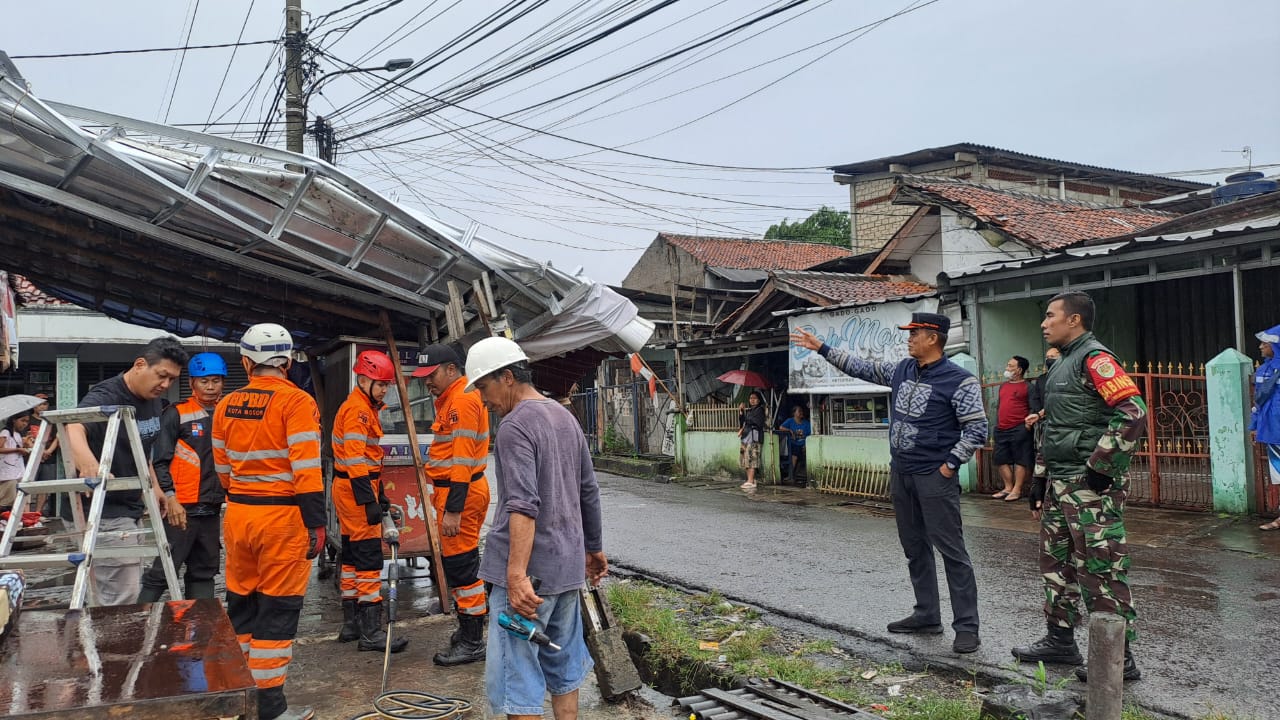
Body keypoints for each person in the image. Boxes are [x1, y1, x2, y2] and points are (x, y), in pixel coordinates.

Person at [791, 312, 986, 654]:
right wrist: (820, 347)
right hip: (902, 473)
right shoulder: (901, 370)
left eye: (915, 334)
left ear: (933, 338)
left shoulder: (960, 380)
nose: (908, 339)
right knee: (914, 548)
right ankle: (926, 614)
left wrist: (949, 466)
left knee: (952, 551)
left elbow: (977, 430)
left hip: (934, 477)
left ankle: (967, 627)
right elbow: (859, 368)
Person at [466, 336, 607, 720]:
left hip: (529, 580)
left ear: (507, 377)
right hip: (565, 570)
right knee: (564, 670)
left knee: (519, 681)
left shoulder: (515, 427)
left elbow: (523, 507)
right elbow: (587, 490)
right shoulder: (565, 417)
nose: (482, 399)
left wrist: (514, 575)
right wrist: (592, 549)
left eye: (482, 386)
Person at [1013, 291, 1146, 683]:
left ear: (1074, 320)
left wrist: (1103, 466)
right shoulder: (1061, 364)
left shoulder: (1095, 359)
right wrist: (1039, 479)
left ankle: (1118, 658)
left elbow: (1133, 412)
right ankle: (1060, 640)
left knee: (1101, 567)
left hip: (1089, 487)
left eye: (1050, 315)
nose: (1043, 323)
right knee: (1056, 563)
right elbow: (1054, 426)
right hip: (1059, 481)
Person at [212, 323, 323, 720]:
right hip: (282, 518)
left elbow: (222, 469)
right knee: (277, 612)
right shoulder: (297, 403)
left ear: (246, 363)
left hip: (239, 514)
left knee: (241, 606)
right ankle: (270, 709)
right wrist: (317, 523)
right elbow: (307, 468)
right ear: (288, 362)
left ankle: (237, 701)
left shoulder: (226, 405)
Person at [65, 336, 188, 606]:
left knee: (110, 592)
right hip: (102, 509)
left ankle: (99, 645)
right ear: (140, 364)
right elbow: (73, 426)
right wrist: (88, 463)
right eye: (162, 376)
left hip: (130, 507)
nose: (165, 385)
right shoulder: (107, 394)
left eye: (172, 380)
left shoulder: (153, 400)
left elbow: (142, 449)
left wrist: (154, 488)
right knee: (122, 596)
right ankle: (120, 648)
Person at [414, 343, 491, 666]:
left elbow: (461, 461)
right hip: (456, 492)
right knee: (460, 563)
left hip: (460, 494)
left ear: (450, 369)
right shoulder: (451, 400)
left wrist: (453, 510)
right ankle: (468, 629)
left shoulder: (460, 400)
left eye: (431, 375)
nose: (426, 382)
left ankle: (473, 640)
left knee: (462, 568)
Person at [330, 349, 407, 653]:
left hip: (352, 488)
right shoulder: (358, 411)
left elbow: (365, 459)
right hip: (354, 489)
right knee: (368, 559)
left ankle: (351, 624)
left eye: (387, 384)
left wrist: (380, 494)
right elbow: (355, 459)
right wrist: (369, 500)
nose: (385, 389)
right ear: (363, 380)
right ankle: (371, 631)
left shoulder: (362, 407)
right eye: (380, 383)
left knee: (350, 556)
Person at [138, 352, 228, 603]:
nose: (210, 387)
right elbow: (159, 461)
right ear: (192, 383)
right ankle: (136, 628)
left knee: (204, 572)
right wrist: (170, 497)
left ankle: (198, 633)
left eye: (216, 381)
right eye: (204, 381)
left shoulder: (226, 414)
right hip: (181, 509)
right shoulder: (176, 413)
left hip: (210, 509)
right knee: (162, 572)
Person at [992, 356, 1033, 502]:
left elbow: (1033, 408)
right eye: (1008, 365)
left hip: (1019, 428)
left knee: (1020, 460)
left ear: (1019, 370)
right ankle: (1008, 487)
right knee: (1000, 459)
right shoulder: (1004, 386)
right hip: (1001, 428)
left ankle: (1017, 489)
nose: (1007, 368)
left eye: (1010, 366)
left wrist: (1027, 425)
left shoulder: (1028, 387)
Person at [1024, 347, 1061, 512]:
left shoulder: (1072, 378)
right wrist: (1039, 415)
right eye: (1047, 357)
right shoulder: (1043, 380)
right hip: (1047, 427)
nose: (1049, 359)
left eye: (1053, 356)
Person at [1252, 325, 1280, 531]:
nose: (1261, 347)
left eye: (1265, 343)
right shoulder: (1263, 370)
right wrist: (1254, 425)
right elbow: (1259, 402)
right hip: (1271, 430)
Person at [0, 412, 32, 513]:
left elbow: (21, 452)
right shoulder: (5, 432)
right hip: (7, 470)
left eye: (26, 421)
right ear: (14, 420)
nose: (24, 424)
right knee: (8, 497)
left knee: (23, 492)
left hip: (18, 468)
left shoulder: (17, 435)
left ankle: (24, 516)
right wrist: (17, 450)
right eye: (22, 421)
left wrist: (25, 445)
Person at [738, 391, 766, 490]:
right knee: (745, 459)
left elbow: (756, 422)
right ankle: (750, 480)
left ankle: (751, 480)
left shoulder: (760, 410)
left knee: (752, 459)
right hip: (746, 437)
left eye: (754, 398)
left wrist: (745, 416)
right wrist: (741, 412)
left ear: (758, 400)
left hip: (754, 437)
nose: (752, 400)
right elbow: (743, 422)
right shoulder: (749, 411)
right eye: (750, 398)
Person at [779, 405, 811, 487]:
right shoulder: (790, 421)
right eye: (799, 411)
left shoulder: (806, 423)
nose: (801, 413)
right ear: (794, 413)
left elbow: (811, 433)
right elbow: (781, 427)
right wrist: (789, 430)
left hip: (804, 444)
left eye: (801, 411)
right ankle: (791, 475)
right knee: (795, 455)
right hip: (793, 444)